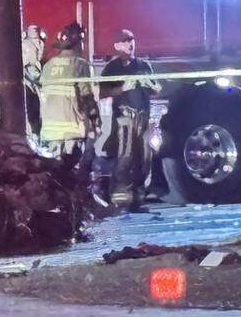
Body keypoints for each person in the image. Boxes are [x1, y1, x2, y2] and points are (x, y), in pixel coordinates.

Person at [99, 29, 161, 212]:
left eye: (132, 40)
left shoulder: (143, 65)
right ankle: (118, 196)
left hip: (143, 117)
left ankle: (138, 196)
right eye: (125, 41)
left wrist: (149, 84)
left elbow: (157, 89)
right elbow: (102, 93)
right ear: (117, 46)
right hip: (124, 118)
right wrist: (123, 88)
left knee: (145, 156)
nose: (130, 44)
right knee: (125, 156)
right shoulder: (112, 68)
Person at [39, 22, 100, 172]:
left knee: (53, 173)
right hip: (72, 130)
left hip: (50, 131)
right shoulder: (81, 65)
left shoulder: (48, 66)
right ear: (78, 44)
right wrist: (95, 121)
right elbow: (87, 97)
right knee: (72, 172)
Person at [22, 24, 46, 138]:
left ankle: (37, 133)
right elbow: (24, 67)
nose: (39, 44)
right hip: (28, 84)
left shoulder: (41, 44)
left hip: (36, 83)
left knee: (38, 109)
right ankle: (33, 134)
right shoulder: (25, 45)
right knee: (30, 109)